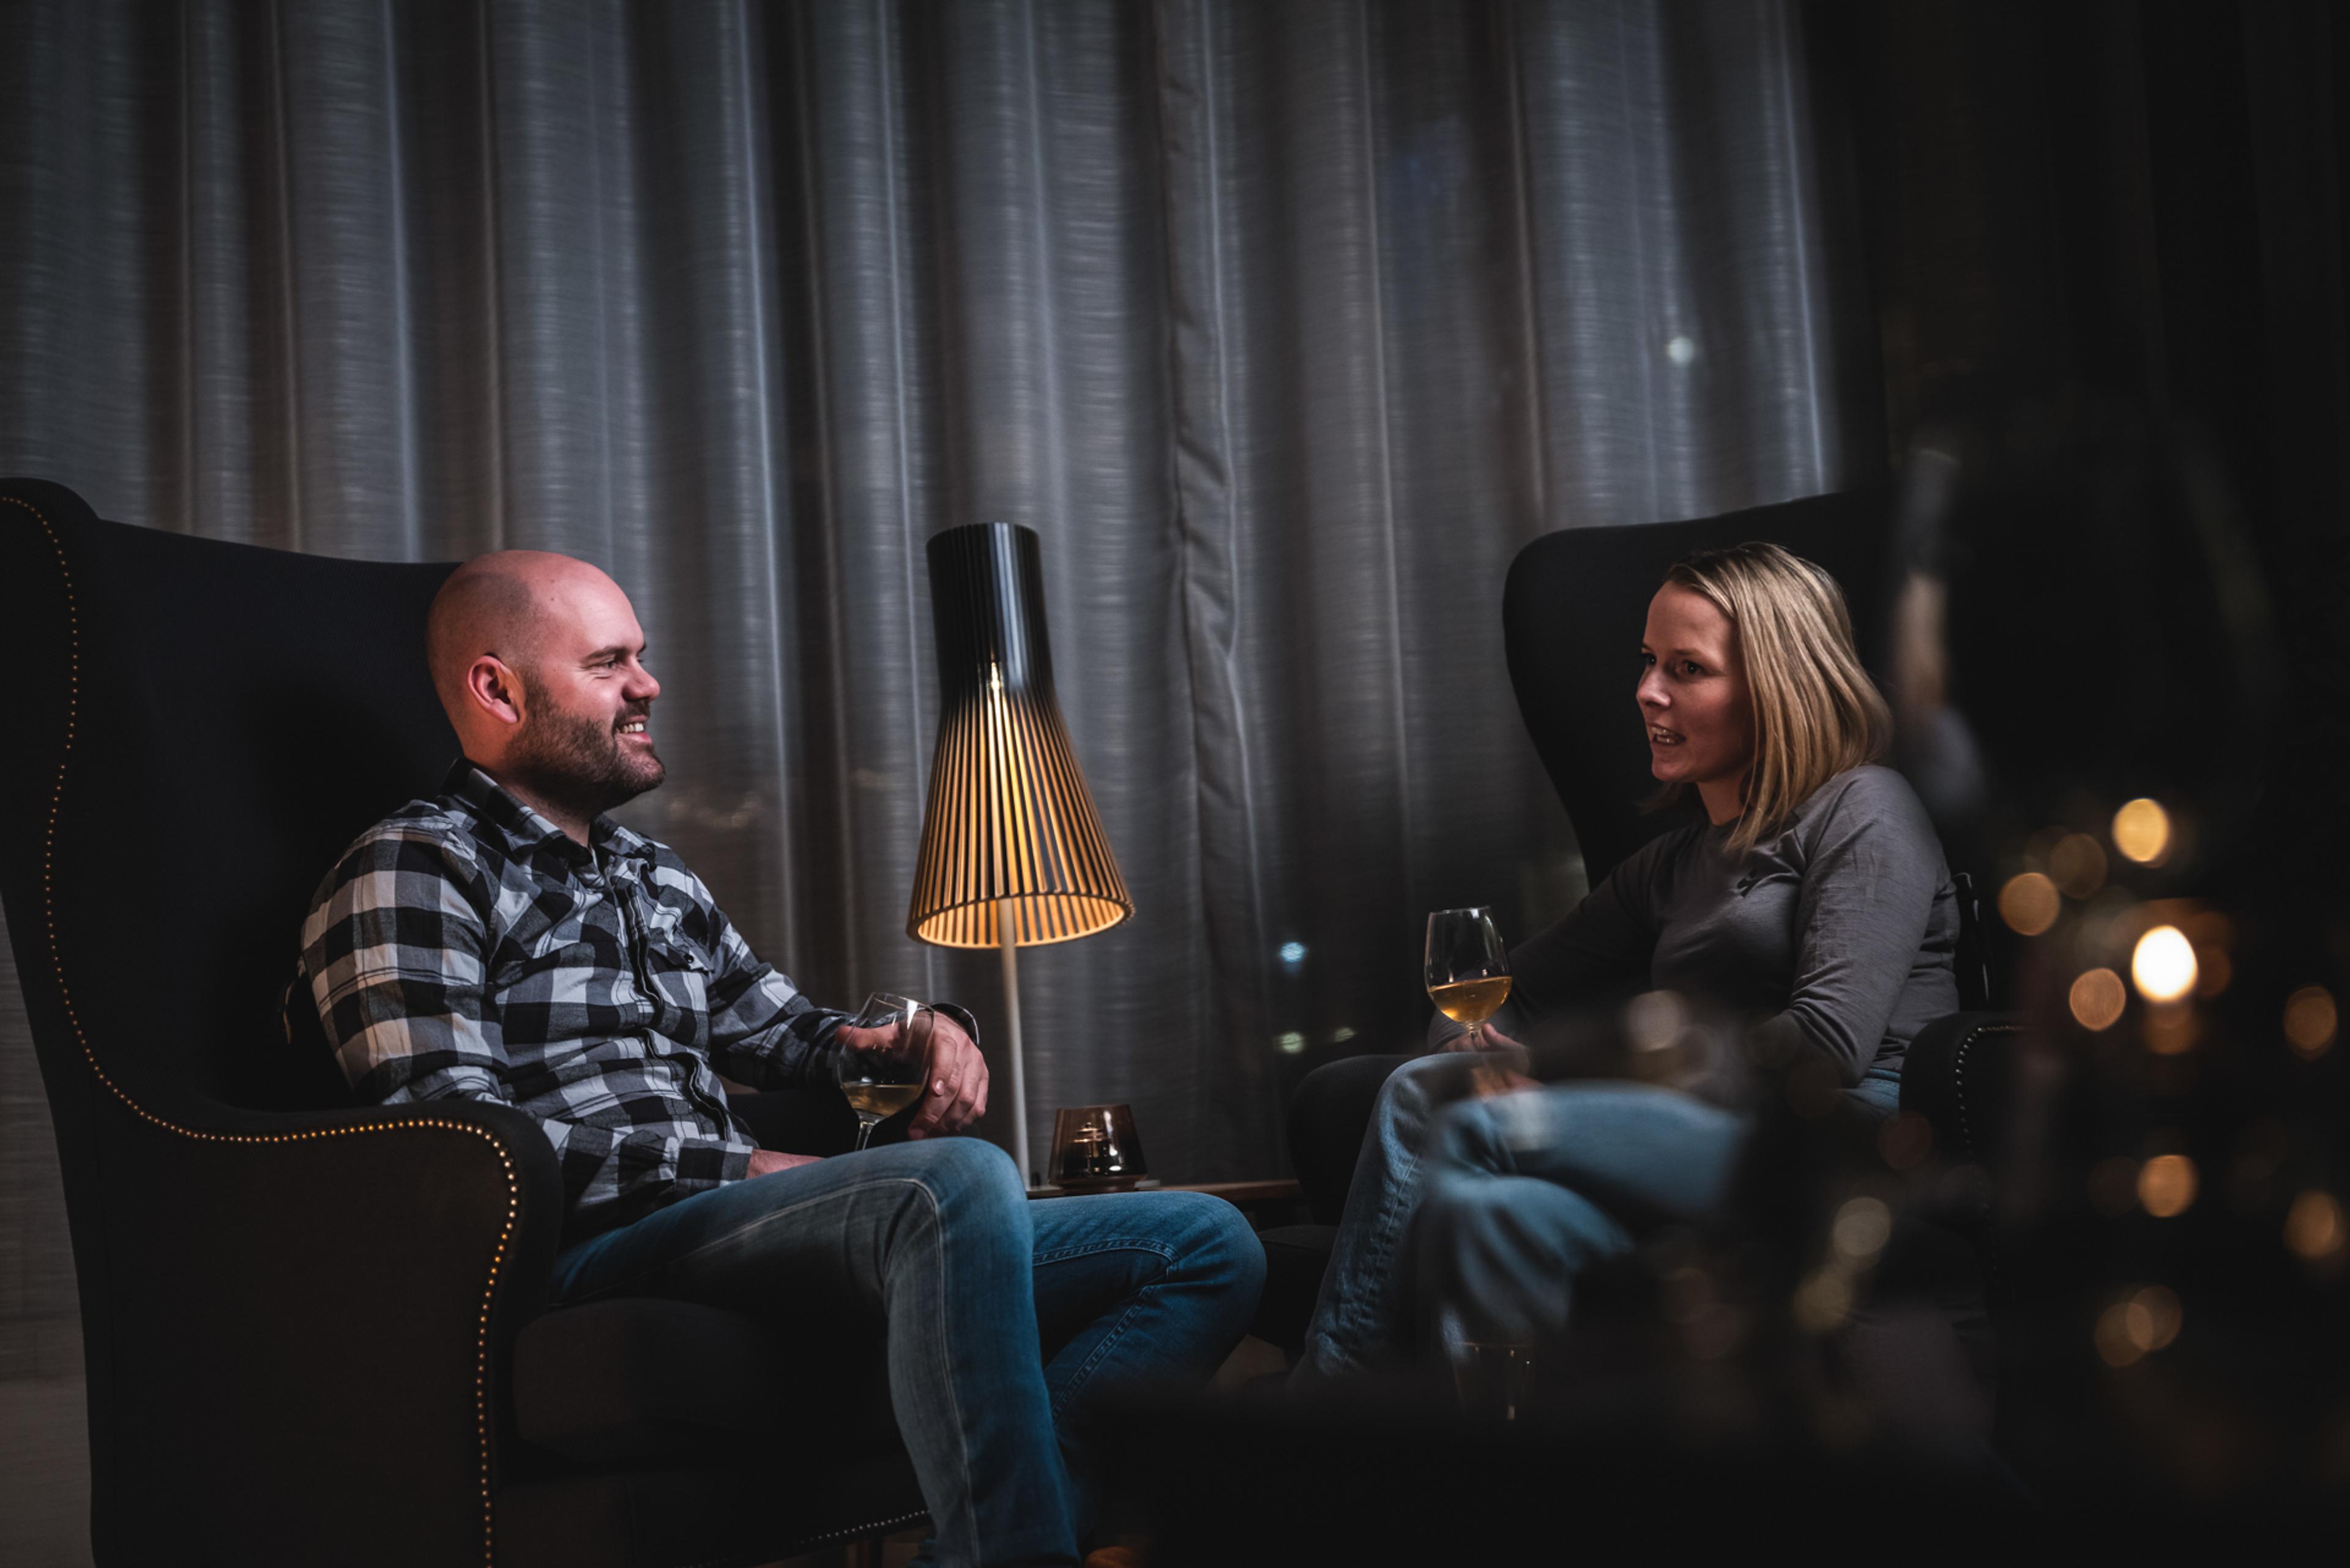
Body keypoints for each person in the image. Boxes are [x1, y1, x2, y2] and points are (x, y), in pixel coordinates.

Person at [291, 550, 1263, 1567]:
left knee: (1204, 1242)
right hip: (585, 1249)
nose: (648, 685)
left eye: (643, 657)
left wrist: (932, 1034)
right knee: (952, 1184)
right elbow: (457, 1146)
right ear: (498, 688)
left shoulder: (648, 873)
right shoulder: (415, 863)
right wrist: (743, 1168)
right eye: (610, 662)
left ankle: (999, 1544)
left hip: (732, 1225)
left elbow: (796, 1034)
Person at [1297, 542, 1958, 1374]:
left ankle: (1327, 1398)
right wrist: (1475, 1040)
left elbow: (1827, 1049)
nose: (1647, 691)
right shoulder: (1675, 863)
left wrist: (1571, 1076)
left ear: (1779, 684)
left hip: (1834, 1140)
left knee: (1420, 1099)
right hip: (1703, 1133)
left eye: (1688, 667)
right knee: (1487, 1208)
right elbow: (1502, 988)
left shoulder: (1866, 808)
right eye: (1649, 662)